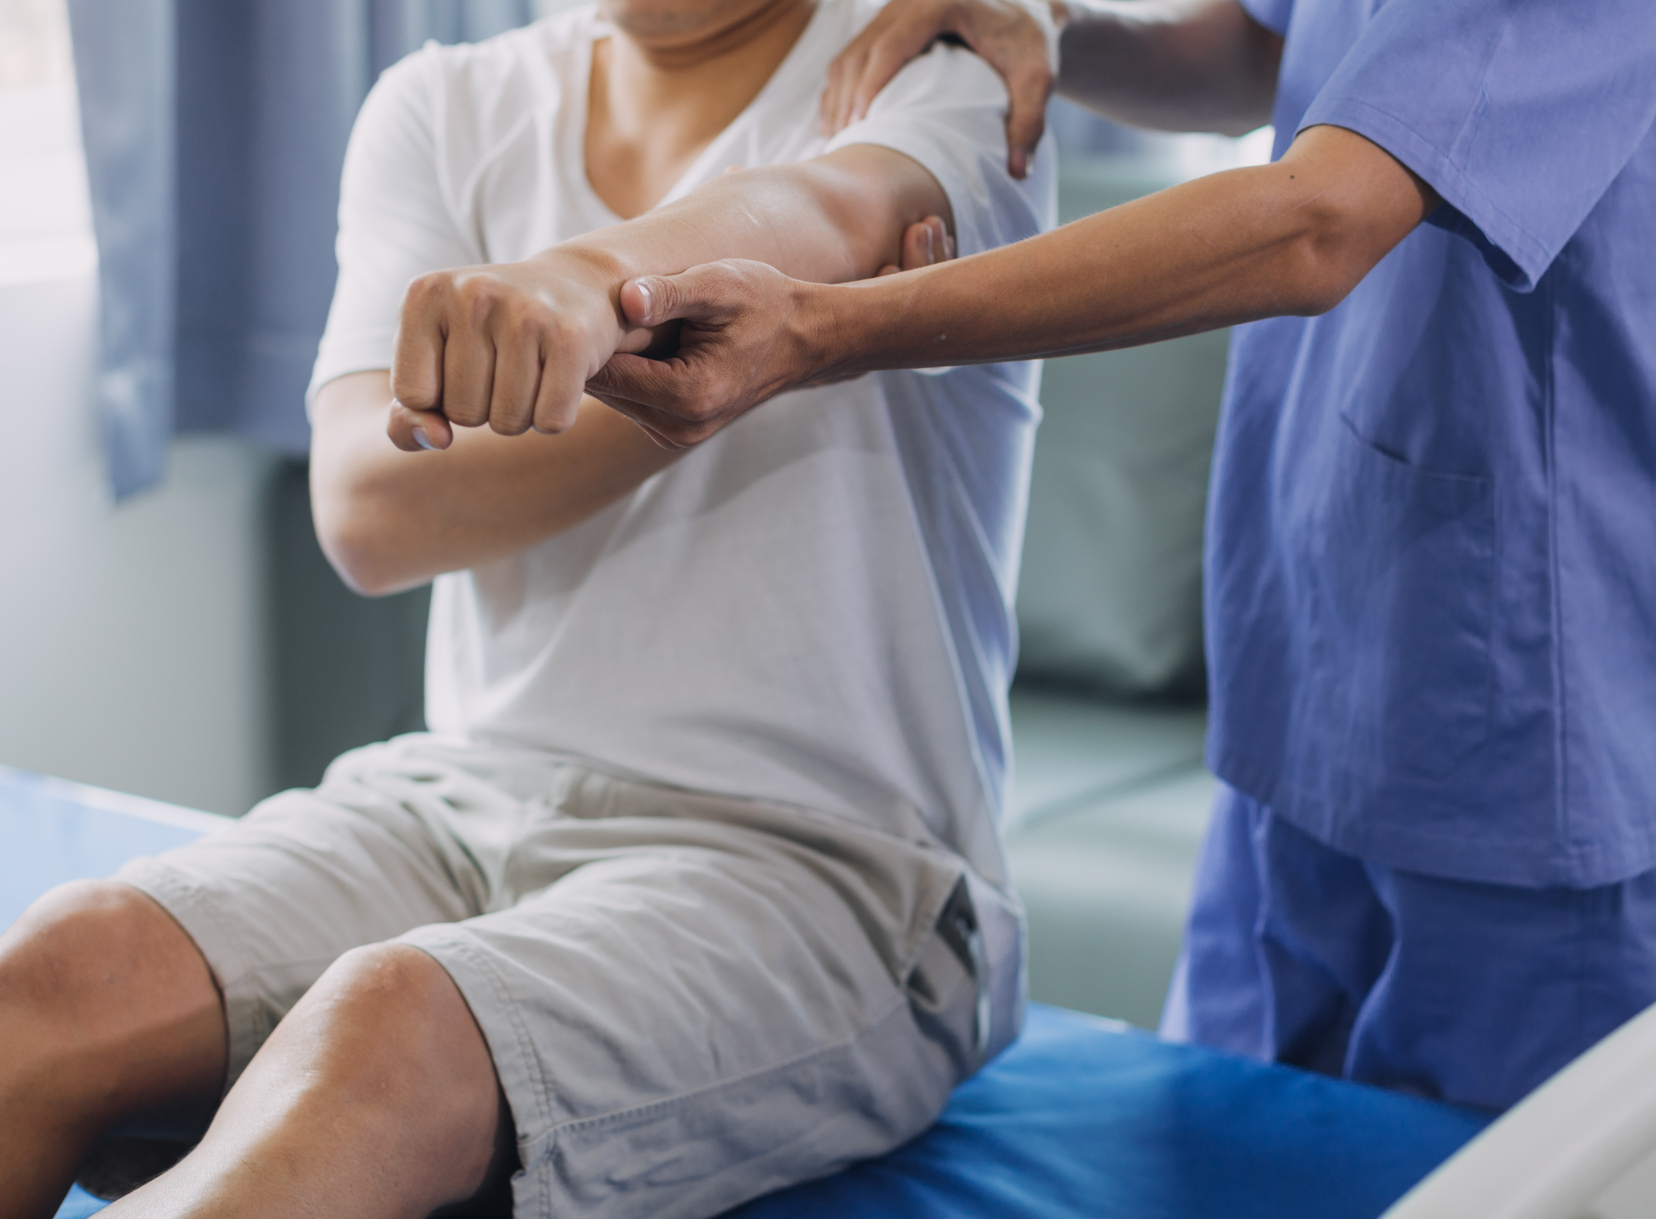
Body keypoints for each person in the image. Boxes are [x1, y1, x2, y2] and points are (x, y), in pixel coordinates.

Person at [392, 0, 1656, 1115]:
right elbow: (1276, 54)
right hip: (1323, 645)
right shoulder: (460, 98)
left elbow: (1318, 219)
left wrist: (826, 326)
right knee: (1232, 1154)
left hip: (1544, 682)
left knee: (1525, 1168)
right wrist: (1057, 28)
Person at [0, 1, 1052, 1216]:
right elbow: (367, 509)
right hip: (458, 802)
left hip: (834, 866)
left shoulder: (930, 63)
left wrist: (592, 288)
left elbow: (833, 210)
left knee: (385, 1026)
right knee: (61, 970)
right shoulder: (444, 104)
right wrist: (720, 359)